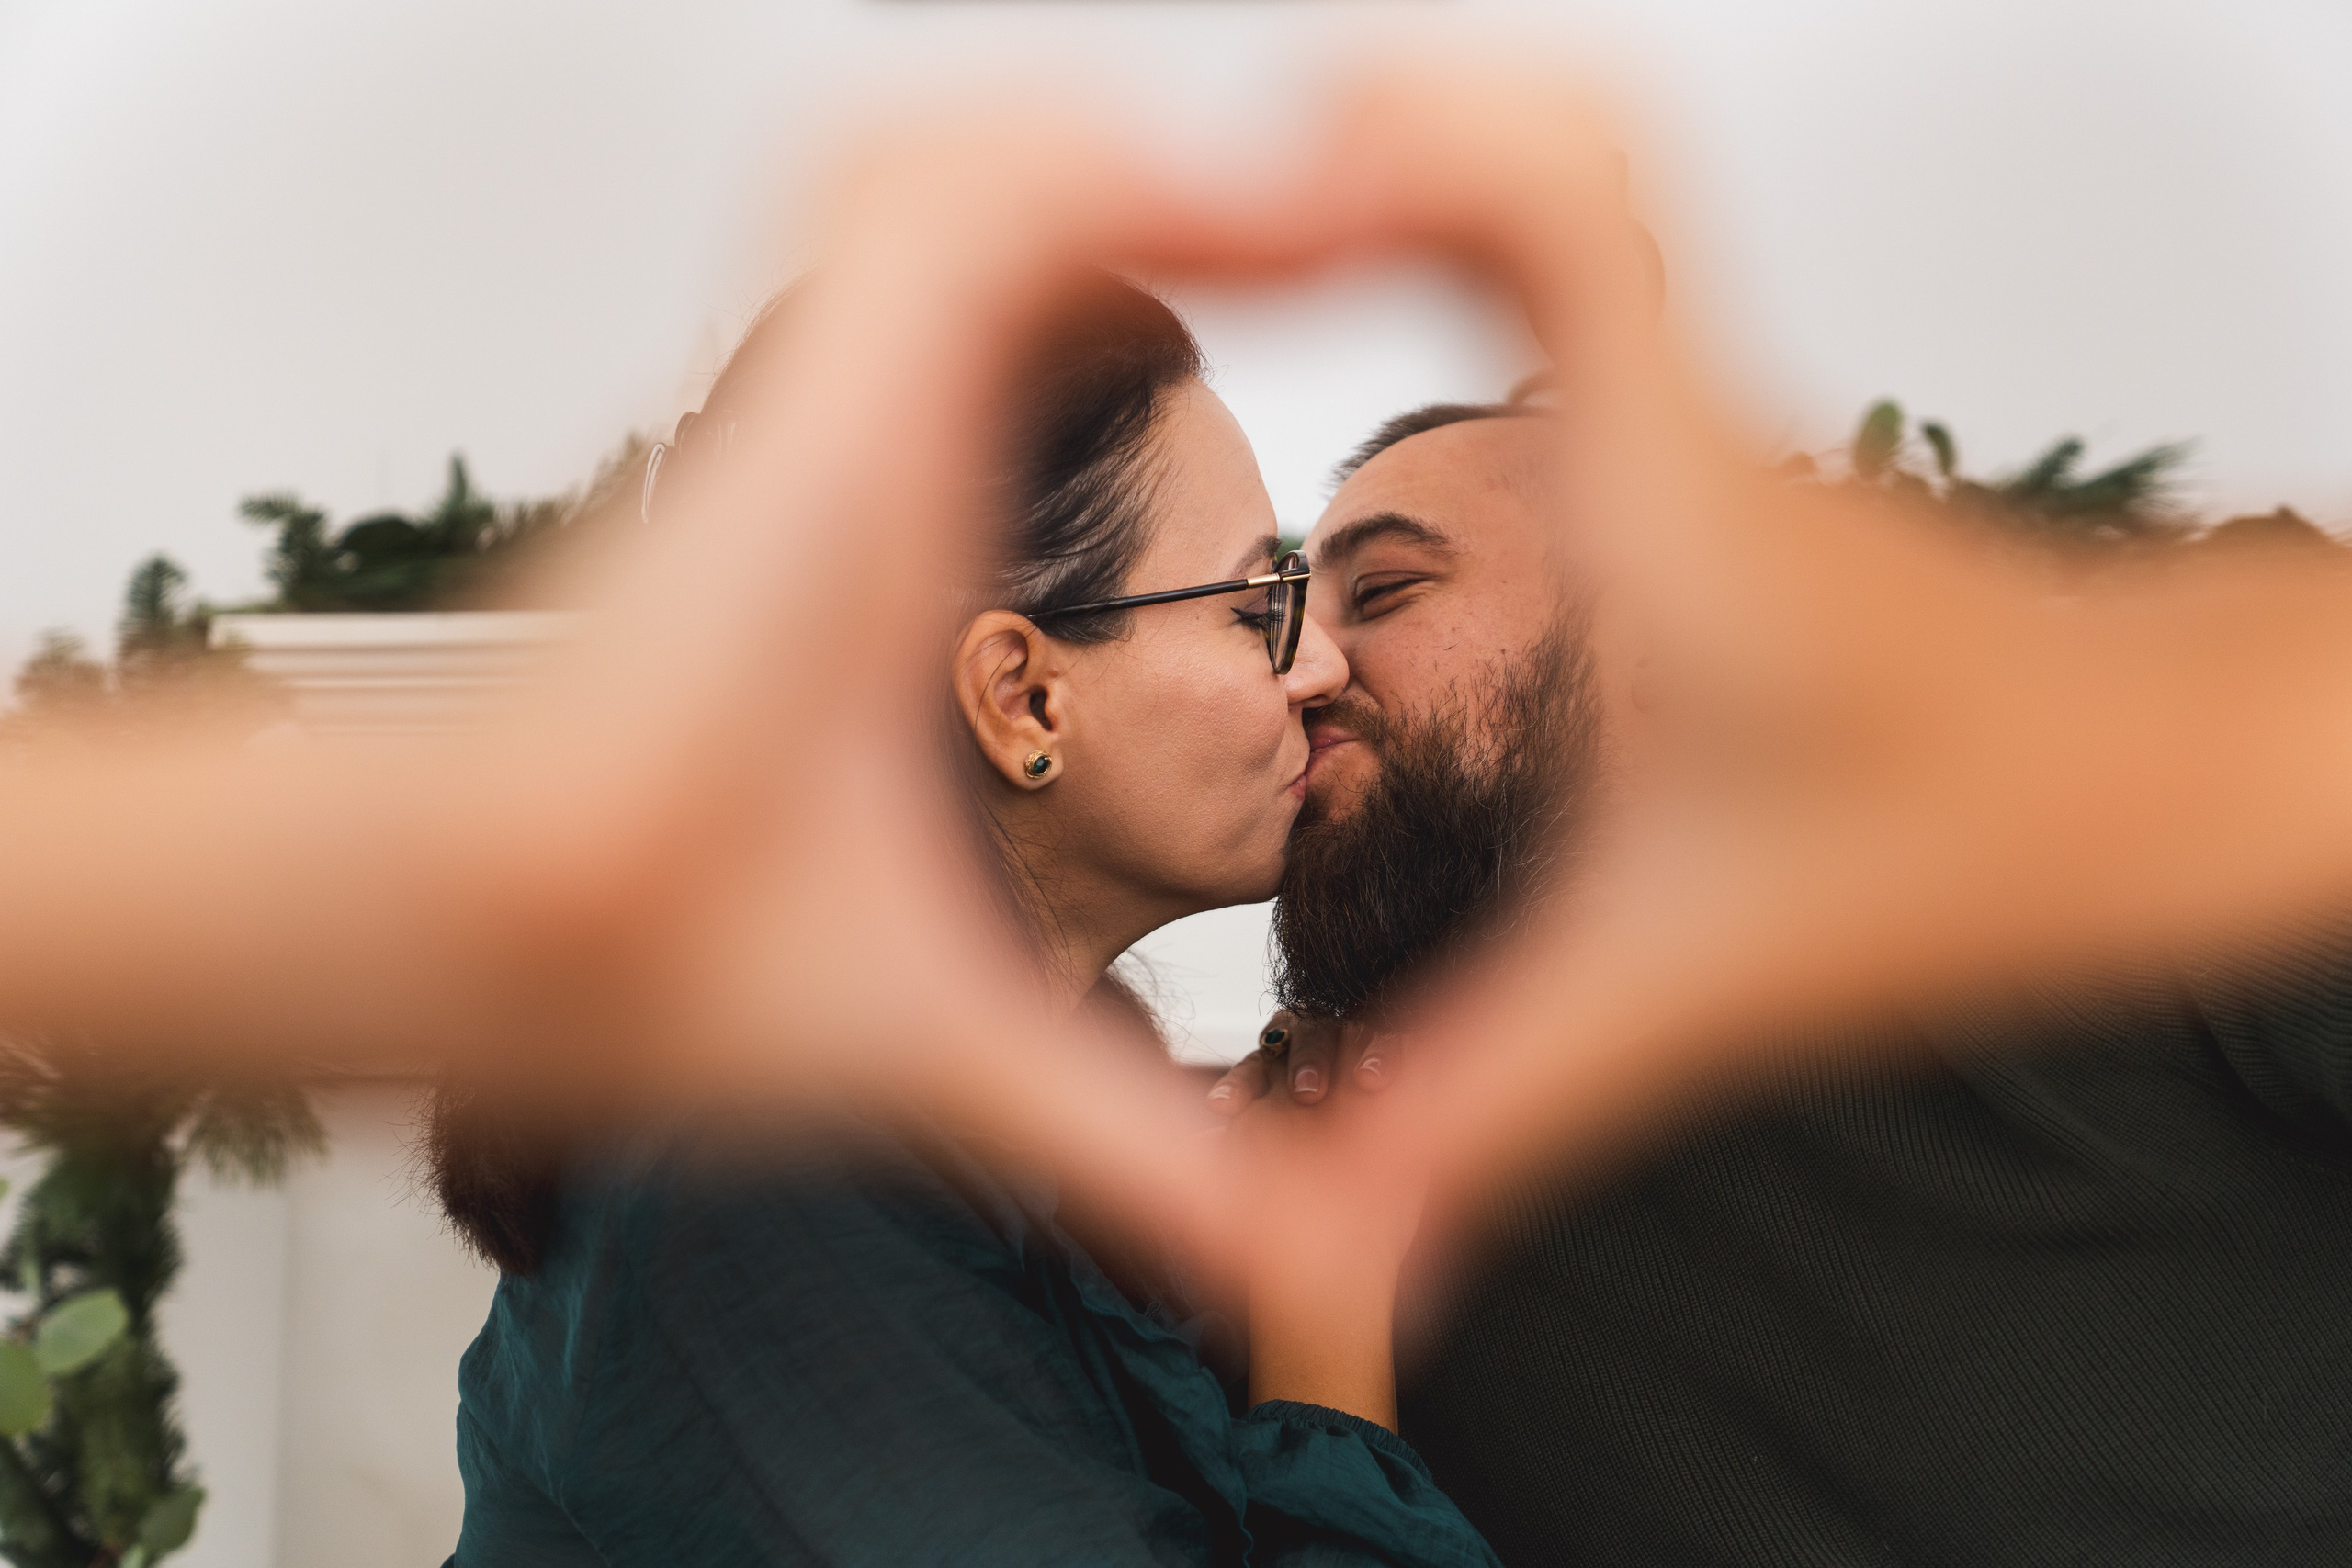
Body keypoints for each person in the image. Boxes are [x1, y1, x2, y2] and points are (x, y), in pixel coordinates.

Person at [436, 279, 1502, 1568]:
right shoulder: (761, 1171)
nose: (1317, 666)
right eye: (1254, 605)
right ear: (1022, 699)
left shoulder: (1008, 1119)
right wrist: (1323, 1339)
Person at [1215, 395, 2352, 1567]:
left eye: (1385, 590)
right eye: (1273, 625)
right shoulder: (1336, 1209)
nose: (1298, 671)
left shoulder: (2107, 876)